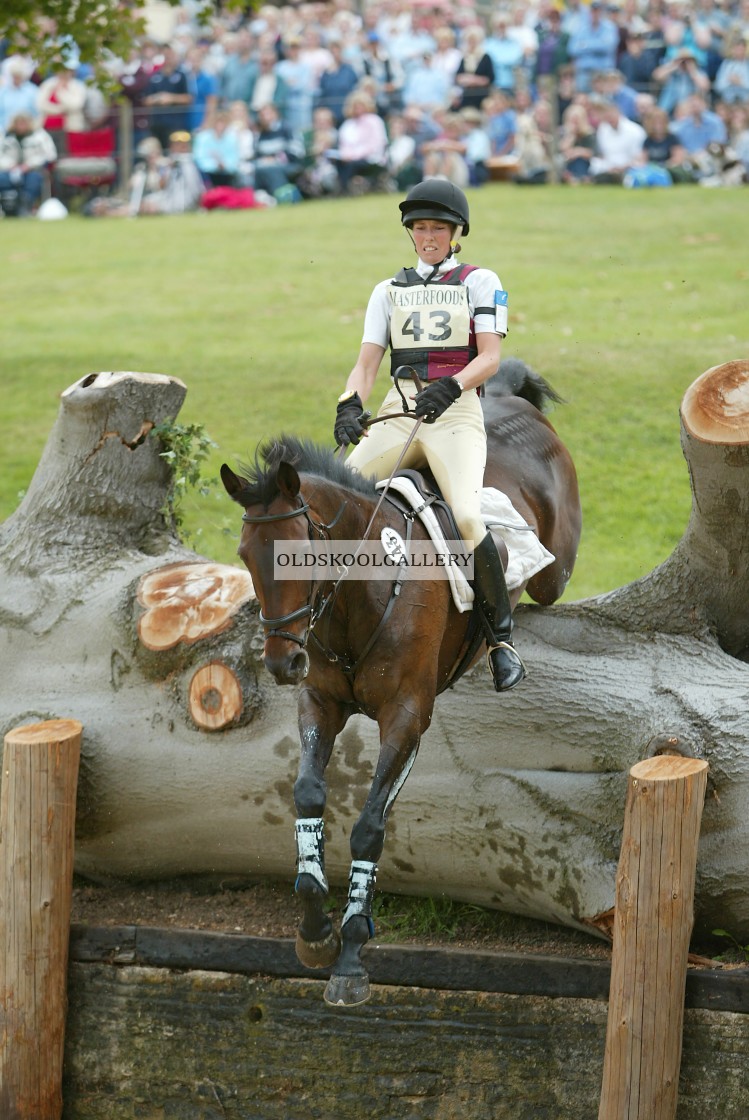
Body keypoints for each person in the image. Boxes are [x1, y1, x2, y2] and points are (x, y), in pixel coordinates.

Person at [333, 180, 525, 692]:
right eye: (420, 228)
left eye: (438, 228)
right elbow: (366, 363)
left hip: (455, 413)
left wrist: (452, 385)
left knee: (465, 512)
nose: (428, 236)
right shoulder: (387, 290)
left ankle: (500, 640)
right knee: (339, 494)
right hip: (398, 409)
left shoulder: (480, 281)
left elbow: (490, 358)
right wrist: (349, 402)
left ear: (456, 232)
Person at [0, 112, 56, 215]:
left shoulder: (40, 135)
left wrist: (29, 165)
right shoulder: (6, 136)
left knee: (34, 180)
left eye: (24, 123)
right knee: (2, 179)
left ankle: (25, 206)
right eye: (18, 123)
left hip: (32, 170)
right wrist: (10, 165)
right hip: (8, 170)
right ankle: (6, 205)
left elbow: (50, 154)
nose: (21, 126)